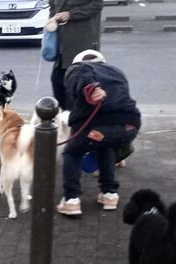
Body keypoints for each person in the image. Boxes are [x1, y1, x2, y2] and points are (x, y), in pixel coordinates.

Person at [56, 50, 141, 217]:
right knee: (105, 146)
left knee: (72, 153)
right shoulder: (116, 71)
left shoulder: (78, 69)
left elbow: (82, 76)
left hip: (95, 128)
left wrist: (91, 90)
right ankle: (110, 195)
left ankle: (71, 200)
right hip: (129, 126)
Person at [49, 0, 102, 111]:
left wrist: (70, 14)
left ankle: (75, 117)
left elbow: (97, 5)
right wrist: (52, 19)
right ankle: (66, 115)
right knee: (57, 81)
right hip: (63, 44)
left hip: (83, 43)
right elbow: (53, 5)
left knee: (77, 86)